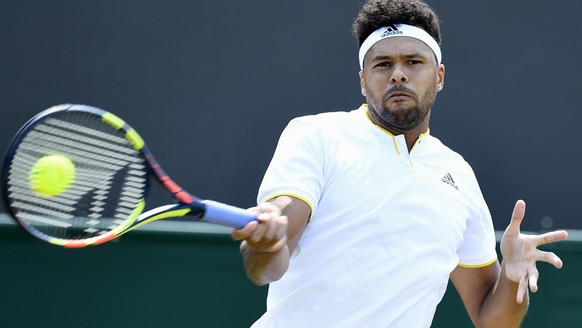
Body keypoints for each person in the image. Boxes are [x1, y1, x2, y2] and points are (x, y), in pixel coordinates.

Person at [232, 0, 569, 327]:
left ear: (439, 77)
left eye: (412, 62)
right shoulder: (315, 136)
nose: (398, 75)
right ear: (363, 80)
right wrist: (266, 242)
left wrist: (511, 277)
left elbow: (492, 321)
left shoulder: (457, 175)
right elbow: (267, 268)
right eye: (382, 64)